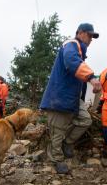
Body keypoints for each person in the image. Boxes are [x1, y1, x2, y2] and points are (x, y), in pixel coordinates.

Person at [40, 22, 102, 174]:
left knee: (85, 119)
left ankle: (67, 142)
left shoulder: (80, 52)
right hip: (59, 97)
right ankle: (57, 160)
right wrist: (92, 78)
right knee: (57, 131)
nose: (91, 39)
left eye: (93, 37)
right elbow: (71, 61)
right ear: (80, 33)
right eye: (89, 35)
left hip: (71, 99)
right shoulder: (71, 44)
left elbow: (77, 70)